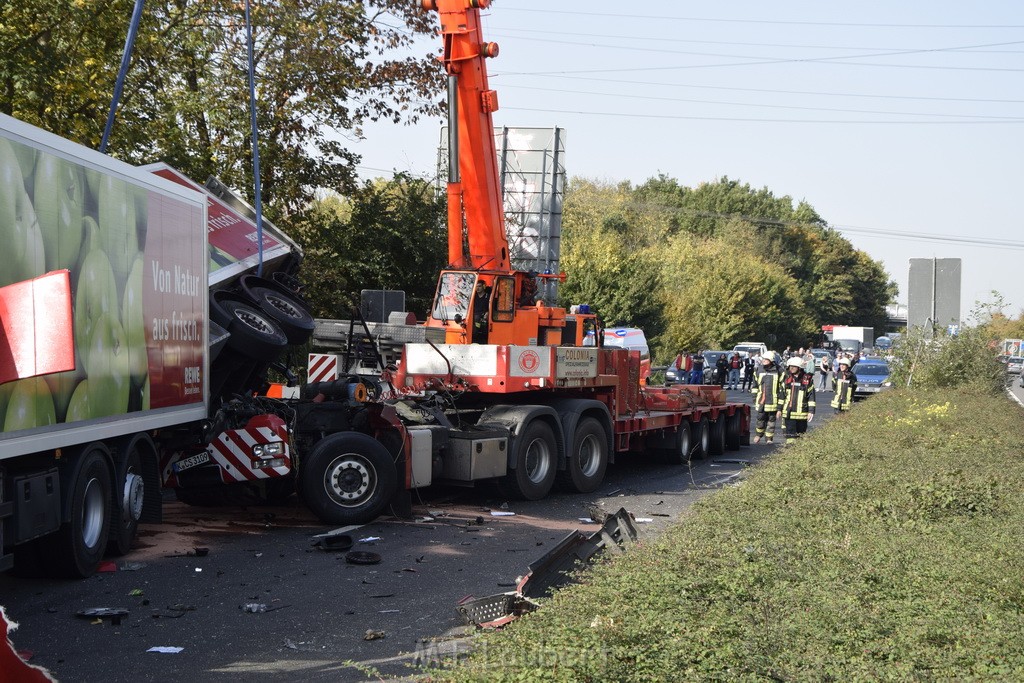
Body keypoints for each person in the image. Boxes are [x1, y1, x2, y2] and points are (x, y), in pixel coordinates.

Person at [781, 356, 816, 444]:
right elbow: (782, 395)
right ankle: (790, 452)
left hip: (802, 414)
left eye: (794, 366)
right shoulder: (787, 379)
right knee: (790, 437)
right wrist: (779, 409)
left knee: (800, 436)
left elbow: (811, 396)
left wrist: (811, 411)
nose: (791, 368)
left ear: (799, 368)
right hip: (789, 413)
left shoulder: (807, 380)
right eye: (790, 366)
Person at [752, 351, 783, 444]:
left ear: (771, 360)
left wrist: (780, 403)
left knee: (771, 420)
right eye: (763, 359)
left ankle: (769, 438)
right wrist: (754, 398)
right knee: (760, 418)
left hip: (773, 400)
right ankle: (758, 434)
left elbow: (783, 387)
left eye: (766, 359)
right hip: (761, 400)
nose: (764, 361)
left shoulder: (779, 370)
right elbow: (755, 385)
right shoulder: (758, 370)